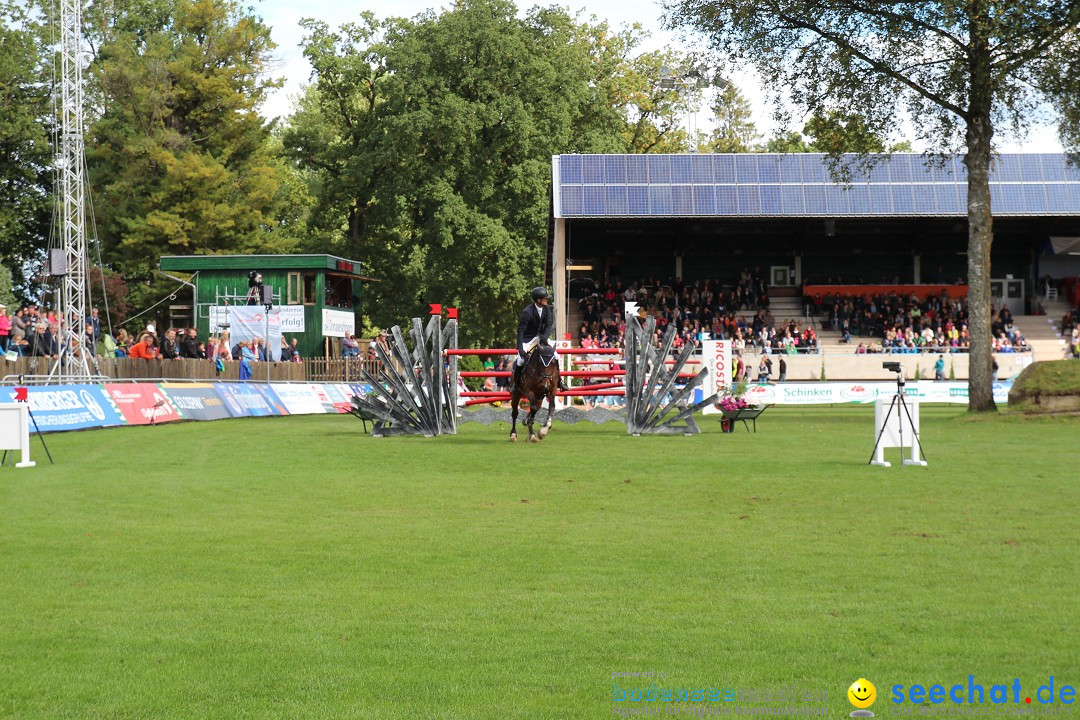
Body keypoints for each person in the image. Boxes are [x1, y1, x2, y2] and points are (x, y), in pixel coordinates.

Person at [510, 286, 553, 393]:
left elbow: (548, 325)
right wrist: (520, 348)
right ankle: (515, 384)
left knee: (555, 354)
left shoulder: (546, 308)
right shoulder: (527, 312)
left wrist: (544, 338)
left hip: (541, 337)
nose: (547, 300)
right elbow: (520, 331)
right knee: (520, 360)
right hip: (528, 339)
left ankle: (560, 381)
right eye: (545, 298)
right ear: (538, 300)